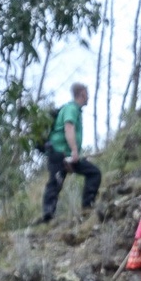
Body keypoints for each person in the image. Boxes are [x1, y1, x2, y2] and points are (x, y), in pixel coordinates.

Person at [39, 83, 99, 223]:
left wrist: (75, 153)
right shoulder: (71, 108)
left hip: (66, 153)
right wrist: (74, 151)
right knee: (55, 182)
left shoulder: (75, 110)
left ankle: (87, 207)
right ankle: (48, 215)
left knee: (93, 173)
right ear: (82, 93)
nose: (88, 97)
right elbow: (69, 128)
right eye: (87, 93)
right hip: (59, 152)